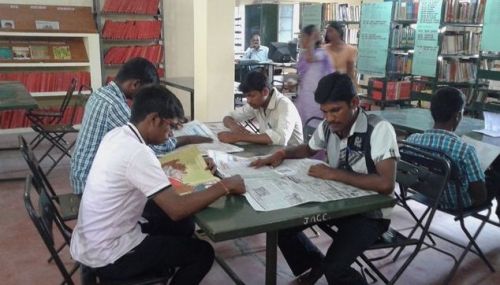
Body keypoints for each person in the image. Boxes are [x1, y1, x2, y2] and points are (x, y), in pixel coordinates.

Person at [70, 84, 246, 284]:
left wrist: (194, 166)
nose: (171, 133)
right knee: (203, 253)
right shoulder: (138, 153)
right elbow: (177, 209)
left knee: (183, 225)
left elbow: (145, 172)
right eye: (170, 126)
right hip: (110, 254)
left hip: (92, 239)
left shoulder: (118, 135)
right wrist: (225, 186)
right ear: (153, 119)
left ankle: (167, 259)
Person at [251, 72, 399, 285]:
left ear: (355, 103)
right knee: (281, 228)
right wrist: (281, 154)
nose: (329, 118)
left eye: (335, 110)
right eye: (325, 112)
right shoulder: (330, 126)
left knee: (336, 270)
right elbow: (308, 149)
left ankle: (329, 268)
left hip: (370, 215)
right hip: (337, 204)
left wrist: (334, 173)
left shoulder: (379, 129)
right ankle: (313, 265)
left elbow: (386, 184)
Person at [70, 57, 211, 195]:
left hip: (85, 174)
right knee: (173, 191)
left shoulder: (104, 94)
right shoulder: (113, 106)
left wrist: (168, 119)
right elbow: (154, 146)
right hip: (87, 183)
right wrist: (188, 139)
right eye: (147, 91)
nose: (148, 97)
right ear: (135, 84)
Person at [406, 87, 498, 214]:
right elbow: (480, 197)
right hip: (458, 204)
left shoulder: (412, 140)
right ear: (457, 115)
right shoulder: (465, 150)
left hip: (428, 194)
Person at [218, 71, 303, 146]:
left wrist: (240, 137)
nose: (248, 101)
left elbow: (281, 139)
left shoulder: (285, 105)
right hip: (271, 152)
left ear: (265, 92)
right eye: (246, 96)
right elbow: (229, 116)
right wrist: (234, 126)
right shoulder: (256, 104)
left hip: (292, 157)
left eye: (251, 96)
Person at [295, 25, 334, 125]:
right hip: (305, 96)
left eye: (303, 37)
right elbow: (301, 74)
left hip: (316, 97)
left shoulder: (322, 53)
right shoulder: (303, 55)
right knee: (303, 123)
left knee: (314, 123)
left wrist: (312, 38)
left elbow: (310, 58)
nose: (300, 40)